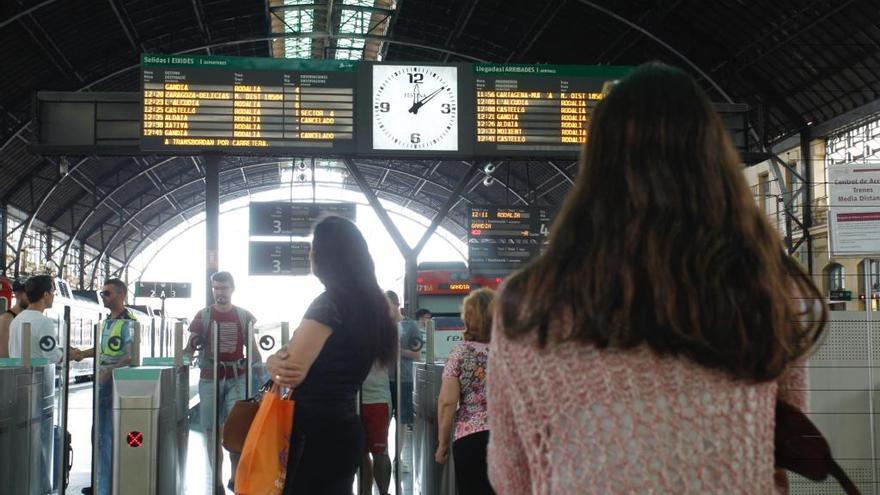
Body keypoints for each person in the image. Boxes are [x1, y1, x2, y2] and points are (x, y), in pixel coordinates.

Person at [486, 63, 828, 494]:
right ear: (714, 162)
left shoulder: (529, 302)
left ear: (598, 165)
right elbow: (786, 439)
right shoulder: (766, 287)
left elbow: (510, 475)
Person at [267, 216, 397, 494]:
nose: (311, 253)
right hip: (345, 426)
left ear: (327, 255)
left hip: (312, 435)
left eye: (315, 247)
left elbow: (290, 372)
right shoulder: (373, 307)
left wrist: (271, 361)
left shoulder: (328, 305)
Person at [183, 271, 258, 492]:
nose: (219, 293)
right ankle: (216, 480)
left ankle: (234, 476)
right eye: (215, 288)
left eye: (223, 288)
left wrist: (260, 373)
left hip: (237, 377)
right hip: (209, 378)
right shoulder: (203, 315)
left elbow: (252, 349)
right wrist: (186, 353)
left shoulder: (244, 316)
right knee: (210, 430)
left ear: (232, 289)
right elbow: (189, 347)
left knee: (235, 429)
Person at [78, 278, 137, 495]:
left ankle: (104, 488)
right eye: (102, 293)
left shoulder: (128, 322)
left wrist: (108, 374)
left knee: (104, 435)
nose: (103, 296)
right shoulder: (109, 321)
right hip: (103, 382)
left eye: (107, 293)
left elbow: (130, 355)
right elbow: (104, 350)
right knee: (99, 435)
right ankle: (100, 482)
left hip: (112, 384)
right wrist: (80, 354)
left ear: (121, 294)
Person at [436, 288, 496, 495]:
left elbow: (447, 402)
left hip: (470, 438)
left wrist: (442, 444)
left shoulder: (460, 353)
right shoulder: (512, 351)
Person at [386, 290, 421, 473]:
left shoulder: (411, 327)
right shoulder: (382, 326)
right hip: (384, 380)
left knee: (402, 419)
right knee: (385, 420)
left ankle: (397, 459)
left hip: (405, 380)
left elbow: (417, 353)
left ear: (396, 304)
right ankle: (384, 456)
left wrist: (398, 351)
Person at [0, 279, 28, 358]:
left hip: (24, 367)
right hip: (12, 368)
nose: (32, 297)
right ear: (17, 294)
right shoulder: (6, 319)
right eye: (28, 294)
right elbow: (3, 356)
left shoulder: (27, 318)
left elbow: (26, 352)